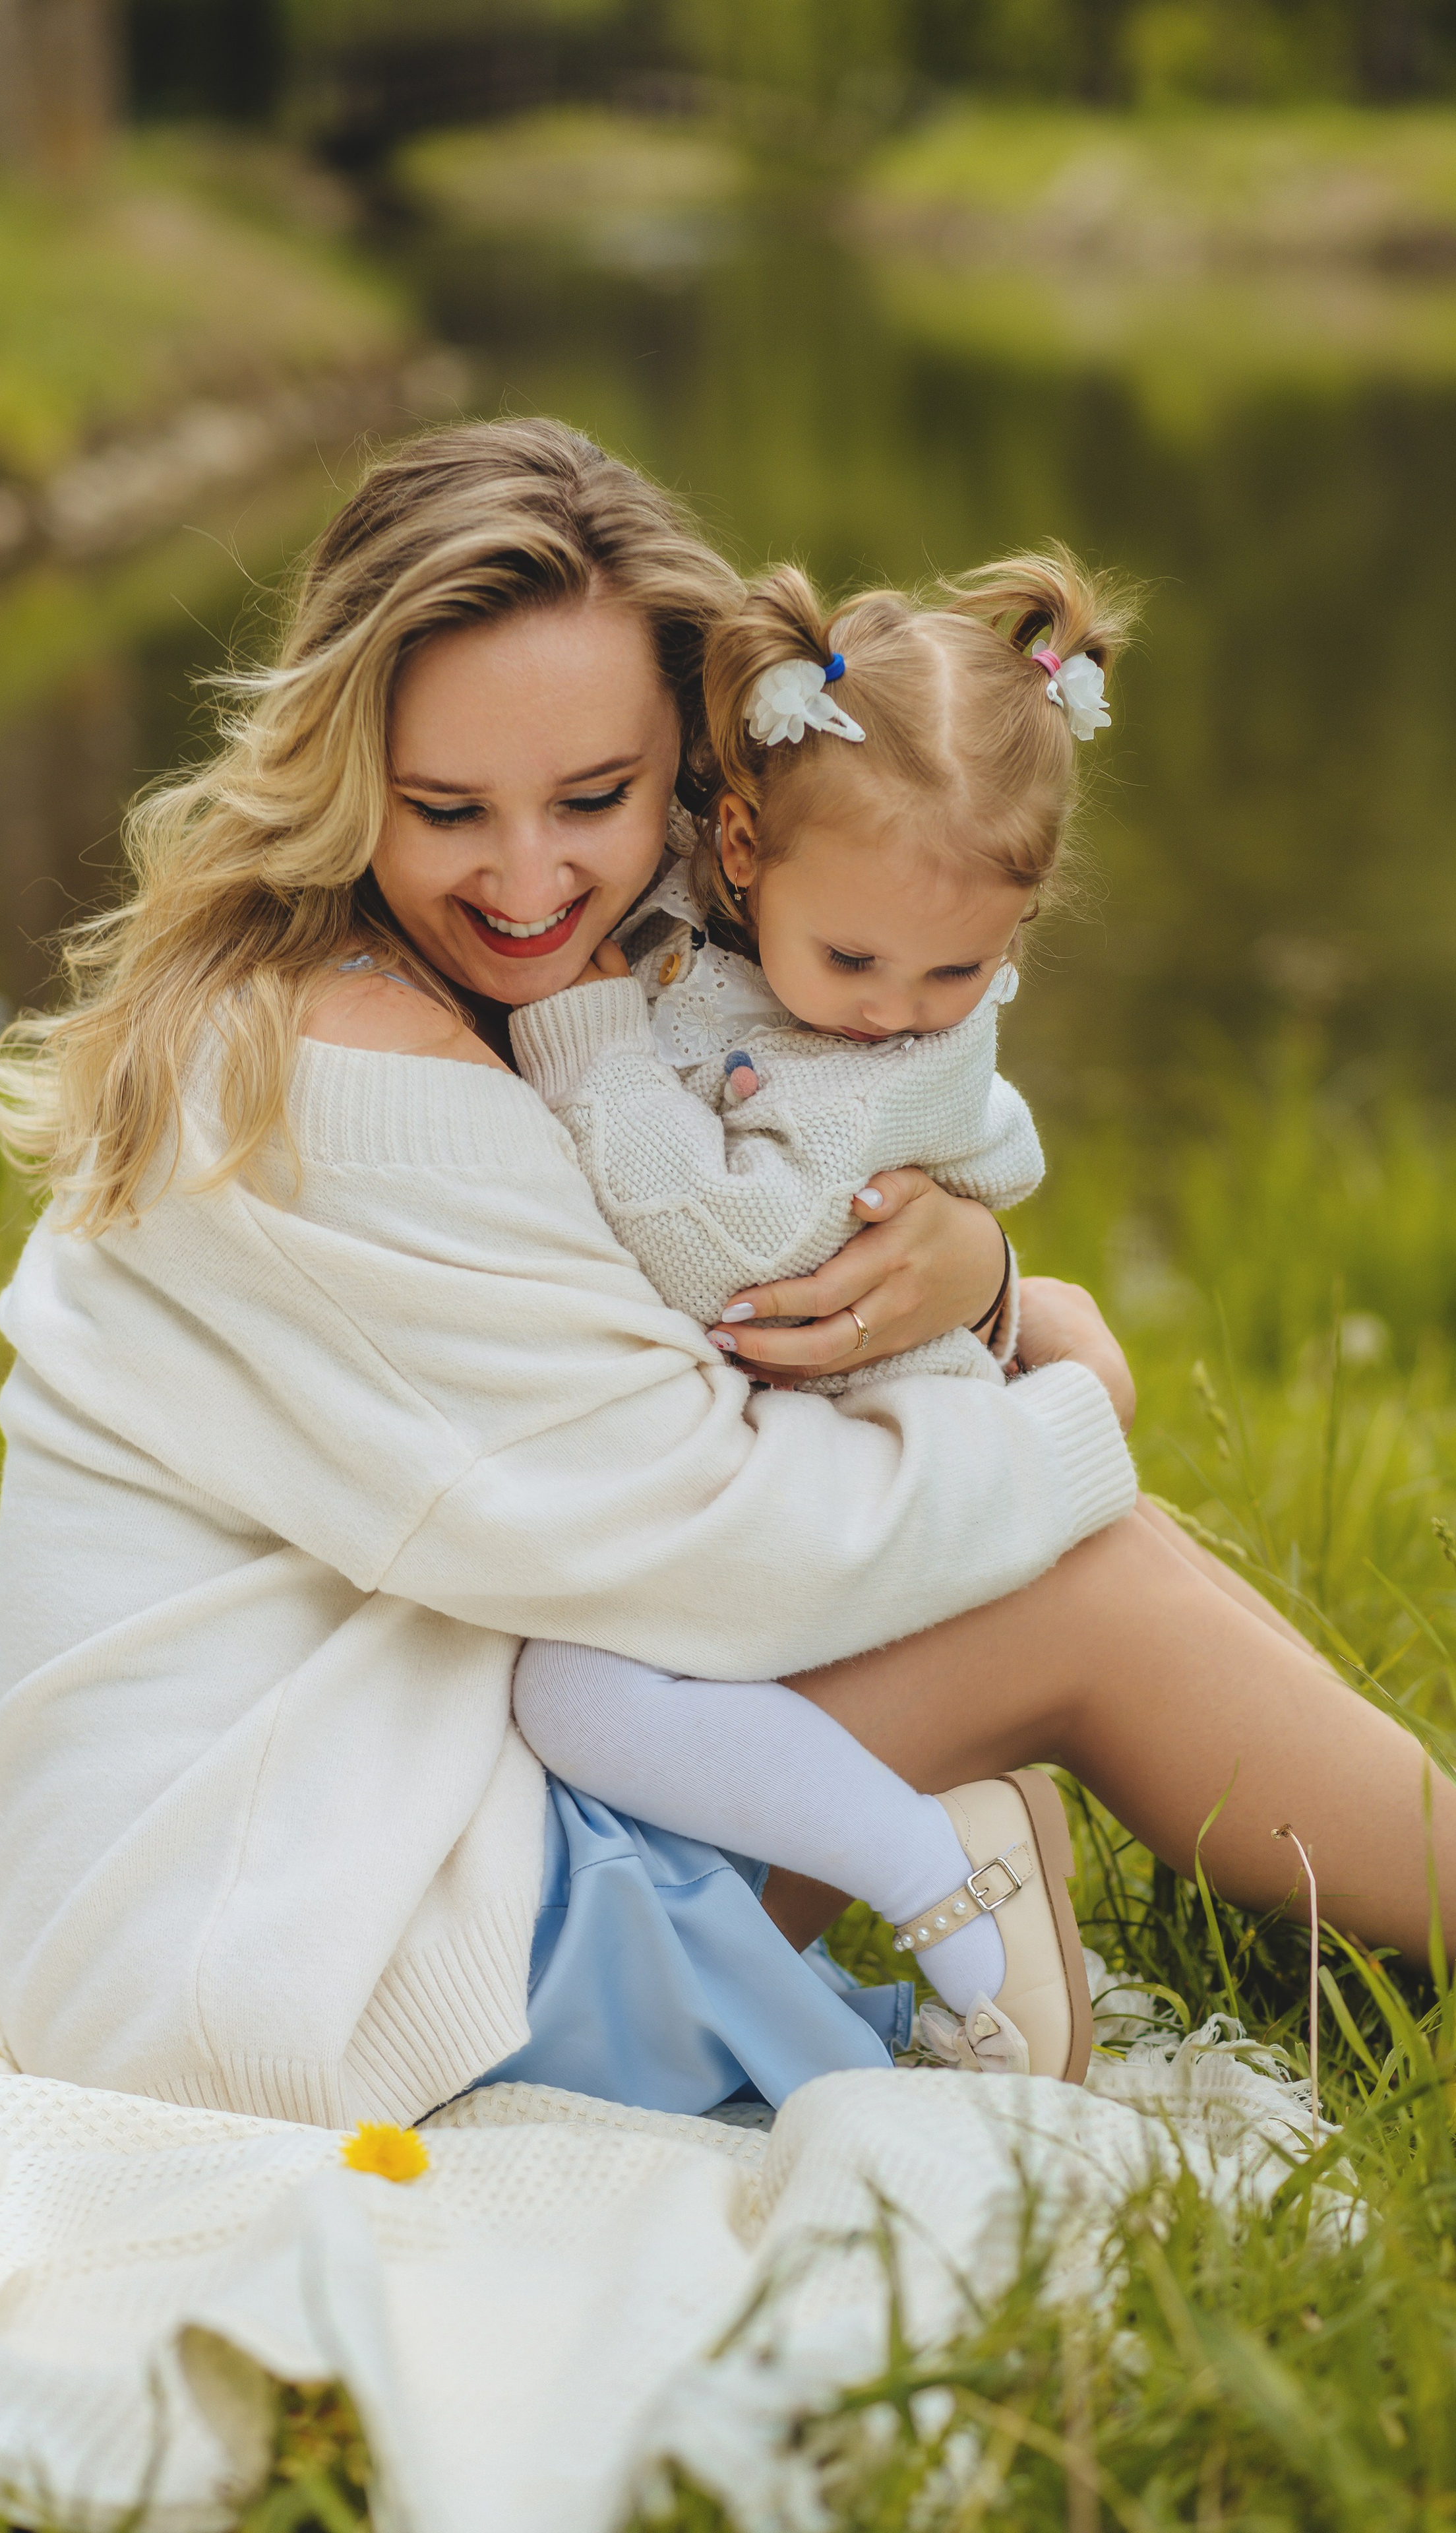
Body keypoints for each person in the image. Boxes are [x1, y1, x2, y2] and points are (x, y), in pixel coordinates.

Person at [0, 416, 1456, 2131]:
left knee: (1076, 1529)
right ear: (342, 773)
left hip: (395, 1812)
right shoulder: (338, 1079)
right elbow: (710, 1542)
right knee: (1085, 1579)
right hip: (311, 1965)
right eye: (446, 807)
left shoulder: (555, 969)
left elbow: (728, 1281)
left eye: (595, 798)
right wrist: (1059, 1403)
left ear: (693, 763)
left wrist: (976, 1288)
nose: (530, 881)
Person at [508, 551, 1130, 2079]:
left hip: (880, 1445)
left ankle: (917, 1863)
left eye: (957, 967)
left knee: (575, 1695)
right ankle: (981, 1862)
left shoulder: (901, 1055)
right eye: (850, 956)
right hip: (808, 1436)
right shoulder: (732, 919)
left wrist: (580, 1038)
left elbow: (722, 1245)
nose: (891, 1002)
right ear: (734, 848)